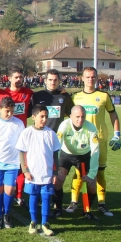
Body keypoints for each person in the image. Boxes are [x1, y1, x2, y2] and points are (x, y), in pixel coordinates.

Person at [72, 67, 121, 217]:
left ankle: (101, 204)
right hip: (81, 141)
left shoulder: (104, 96)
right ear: (82, 78)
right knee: (79, 173)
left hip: (99, 140)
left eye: (93, 77)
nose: (90, 79)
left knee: (99, 173)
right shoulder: (75, 97)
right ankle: (74, 202)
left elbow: (113, 114)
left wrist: (117, 134)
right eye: (87, 77)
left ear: (97, 78)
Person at [31, 69, 74, 217]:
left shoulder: (64, 97)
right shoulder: (37, 96)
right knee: (39, 173)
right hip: (38, 141)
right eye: (50, 80)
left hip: (57, 143)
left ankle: (58, 207)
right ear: (45, 80)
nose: (53, 82)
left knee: (56, 176)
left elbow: (72, 115)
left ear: (59, 81)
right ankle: (38, 203)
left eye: (55, 80)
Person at [16, 105, 62, 236]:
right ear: (33, 117)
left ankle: (45, 223)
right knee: (33, 197)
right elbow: (22, 153)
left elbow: (55, 155)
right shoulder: (27, 132)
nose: (44, 119)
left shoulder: (51, 134)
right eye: (42, 116)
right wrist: (25, 170)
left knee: (47, 198)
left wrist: (54, 172)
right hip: (33, 174)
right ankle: (33, 222)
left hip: (47, 173)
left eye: (46, 116)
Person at [0, 97, 24, 229]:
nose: (9, 114)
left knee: (9, 189)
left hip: (12, 162)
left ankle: (6, 214)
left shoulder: (18, 123)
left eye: (12, 111)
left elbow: (22, 143)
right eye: (7, 111)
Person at [56, 106, 99, 219]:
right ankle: (58, 209)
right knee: (58, 181)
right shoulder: (64, 125)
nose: (80, 119)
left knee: (92, 185)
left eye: (83, 116)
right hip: (66, 155)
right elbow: (57, 147)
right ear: (70, 116)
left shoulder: (91, 128)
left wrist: (91, 174)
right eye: (77, 117)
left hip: (84, 156)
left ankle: (87, 211)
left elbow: (95, 151)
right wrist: (55, 169)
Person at [6, 69, 33, 206]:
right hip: (6, 135)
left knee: (22, 164)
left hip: (22, 135)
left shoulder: (28, 93)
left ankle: (19, 195)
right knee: (9, 165)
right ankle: (5, 191)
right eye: (15, 77)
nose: (18, 79)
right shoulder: (4, 94)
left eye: (21, 77)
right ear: (9, 78)